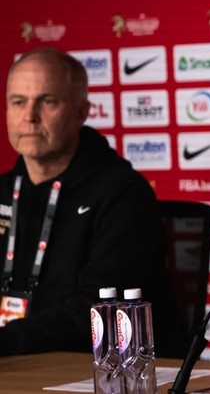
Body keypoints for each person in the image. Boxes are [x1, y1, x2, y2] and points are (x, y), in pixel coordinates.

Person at [0, 48, 179, 355]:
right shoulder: (4, 191)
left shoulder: (122, 194)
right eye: (18, 102)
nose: (29, 116)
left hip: (100, 367)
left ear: (81, 112)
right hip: (15, 361)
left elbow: (95, 315)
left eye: (47, 101)